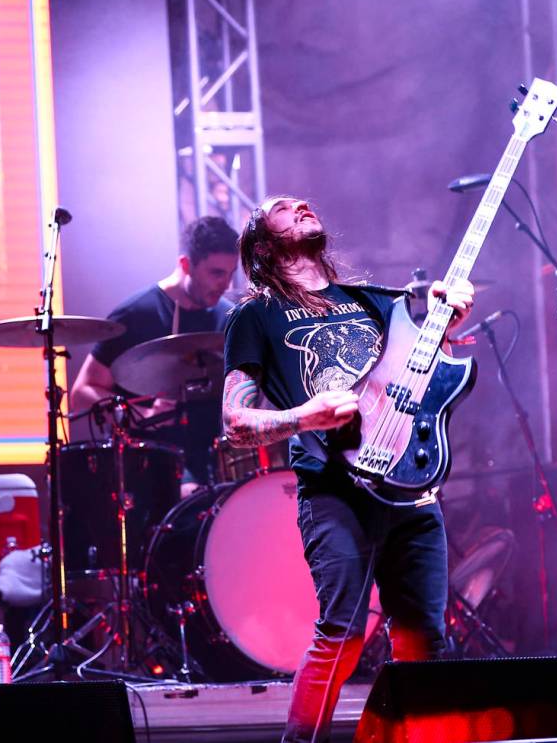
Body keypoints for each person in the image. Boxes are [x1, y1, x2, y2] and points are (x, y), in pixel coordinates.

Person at [222, 196, 474, 742]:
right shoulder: (256, 315)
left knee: (424, 638)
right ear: (265, 244)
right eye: (283, 208)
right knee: (342, 632)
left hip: (410, 488)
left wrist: (443, 316)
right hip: (333, 488)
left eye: (302, 202)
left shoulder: (373, 300)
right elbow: (235, 420)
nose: (301, 204)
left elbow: (422, 361)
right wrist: (302, 416)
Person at [70, 215, 239, 497]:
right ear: (186, 265)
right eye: (216, 273)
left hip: (216, 460)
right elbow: (81, 392)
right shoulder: (137, 315)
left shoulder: (226, 317)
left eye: (231, 273)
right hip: (151, 466)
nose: (225, 284)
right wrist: (139, 415)